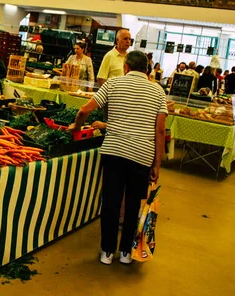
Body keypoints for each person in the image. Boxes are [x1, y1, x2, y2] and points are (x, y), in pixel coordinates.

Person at [69, 50, 167, 266]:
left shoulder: (113, 84)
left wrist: (76, 127)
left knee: (111, 203)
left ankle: (106, 252)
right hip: (141, 155)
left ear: (126, 67)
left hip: (113, 152)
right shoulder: (158, 91)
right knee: (132, 204)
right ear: (148, 70)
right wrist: (157, 164)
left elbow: (84, 110)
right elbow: (160, 131)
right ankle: (125, 253)